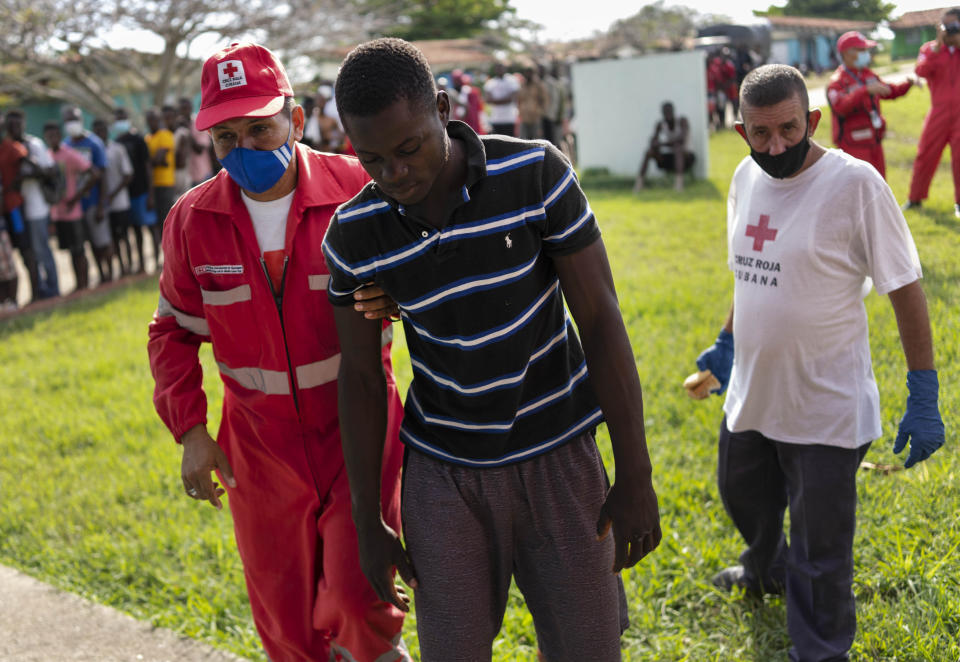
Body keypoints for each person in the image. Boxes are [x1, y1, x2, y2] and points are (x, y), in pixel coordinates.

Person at [324, 38, 661, 661]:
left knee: (588, 648)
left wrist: (635, 470)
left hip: (560, 456)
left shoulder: (535, 173)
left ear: (444, 109)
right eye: (371, 159)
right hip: (443, 474)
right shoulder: (354, 233)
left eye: (408, 148)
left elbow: (600, 318)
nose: (395, 174)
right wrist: (368, 520)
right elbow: (364, 380)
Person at [146, 41, 410, 662]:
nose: (245, 150)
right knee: (286, 626)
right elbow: (173, 332)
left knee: (358, 595)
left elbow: (423, 281)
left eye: (260, 128)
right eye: (226, 137)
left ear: (295, 120)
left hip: (359, 434)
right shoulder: (193, 220)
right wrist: (190, 430)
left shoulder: (358, 191)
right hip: (258, 453)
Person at [692, 64, 944, 662]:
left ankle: (821, 647)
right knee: (741, 493)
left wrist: (924, 389)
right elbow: (749, 274)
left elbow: (904, 286)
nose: (775, 146)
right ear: (740, 131)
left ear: (813, 120)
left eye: (788, 129)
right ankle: (766, 568)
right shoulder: (744, 180)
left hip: (824, 402)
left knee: (821, 547)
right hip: (753, 392)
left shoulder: (854, 185)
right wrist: (727, 341)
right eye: (761, 135)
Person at [827, 31, 914, 178]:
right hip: (852, 143)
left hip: (874, 139)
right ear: (847, 53)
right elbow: (841, 108)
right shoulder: (837, 82)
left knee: (879, 182)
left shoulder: (868, 75)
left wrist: (908, 84)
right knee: (858, 184)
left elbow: (888, 91)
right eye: (862, 50)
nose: (866, 54)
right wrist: (864, 91)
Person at [905, 7, 960, 216]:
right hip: (938, 112)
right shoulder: (930, 49)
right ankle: (915, 198)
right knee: (925, 154)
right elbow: (921, 71)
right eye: (945, 25)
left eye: (953, 25)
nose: (949, 30)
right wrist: (938, 48)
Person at [62, 106, 114, 285]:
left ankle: (111, 274)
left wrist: (102, 204)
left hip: (94, 202)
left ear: (81, 120)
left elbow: (103, 175)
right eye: (68, 120)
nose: (71, 124)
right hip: (77, 207)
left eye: (74, 119)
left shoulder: (94, 143)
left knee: (102, 242)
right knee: (90, 243)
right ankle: (100, 275)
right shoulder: (66, 145)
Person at [45, 121, 97, 292]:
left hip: (73, 212)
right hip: (58, 213)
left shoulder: (69, 154)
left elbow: (93, 173)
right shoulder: (46, 156)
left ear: (59, 136)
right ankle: (78, 284)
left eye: (55, 135)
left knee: (79, 250)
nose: (52, 138)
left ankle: (85, 283)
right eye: (49, 136)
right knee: (69, 251)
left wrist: (76, 197)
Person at [16, 110, 62, 299]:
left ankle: (53, 288)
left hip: (37, 207)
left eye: (17, 124)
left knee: (41, 248)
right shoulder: (9, 147)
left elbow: (50, 170)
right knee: (29, 252)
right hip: (18, 209)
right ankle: (39, 288)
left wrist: (31, 168)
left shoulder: (34, 144)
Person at [0, 110, 37, 301]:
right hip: (3, 210)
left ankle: (35, 293)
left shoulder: (11, 147)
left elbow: (29, 164)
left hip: (14, 206)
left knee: (25, 250)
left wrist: (14, 183)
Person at [113, 107, 156, 273]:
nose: (120, 120)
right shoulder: (117, 143)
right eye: (118, 118)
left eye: (122, 117)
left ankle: (158, 259)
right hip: (127, 194)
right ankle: (141, 265)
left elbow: (147, 166)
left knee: (151, 228)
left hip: (143, 190)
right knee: (135, 230)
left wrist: (150, 193)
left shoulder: (138, 139)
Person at [92, 118, 134, 276]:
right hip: (102, 204)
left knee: (124, 236)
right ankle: (120, 267)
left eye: (101, 130)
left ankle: (129, 266)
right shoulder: (94, 151)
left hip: (120, 202)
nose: (99, 134)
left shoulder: (117, 149)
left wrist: (112, 195)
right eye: (96, 132)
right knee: (112, 239)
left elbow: (128, 175)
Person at [634, 102, 695, 192]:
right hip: (669, 159)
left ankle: (679, 184)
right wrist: (655, 144)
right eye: (665, 113)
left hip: (686, 157)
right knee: (649, 152)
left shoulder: (682, 121)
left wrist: (662, 144)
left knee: (678, 148)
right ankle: (639, 183)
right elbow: (653, 140)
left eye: (669, 112)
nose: (667, 115)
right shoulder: (660, 124)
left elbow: (681, 139)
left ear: (673, 111)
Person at [145, 105, 176, 259]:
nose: (152, 122)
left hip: (166, 183)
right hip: (152, 186)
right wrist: (154, 161)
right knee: (156, 224)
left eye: (155, 119)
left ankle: (171, 254)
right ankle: (161, 255)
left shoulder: (165, 135)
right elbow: (155, 160)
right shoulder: (148, 138)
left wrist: (152, 162)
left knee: (166, 221)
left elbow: (158, 159)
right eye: (149, 120)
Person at [483, 62, 520, 137]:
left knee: (510, 143)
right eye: (497, 68)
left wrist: (495, 101)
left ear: (505, 69)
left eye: (501, 68)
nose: (499, 70)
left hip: (509, 118)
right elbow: (487, 100)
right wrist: (505, 100)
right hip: (496, 119)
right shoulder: (490, 83)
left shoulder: (512, 80)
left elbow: (512, 98)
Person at [515, 66, 548, 140]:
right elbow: (519, 99)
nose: (528, 75)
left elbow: (544, 100)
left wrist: (540, 111)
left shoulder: (538, 86)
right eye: (527, 73)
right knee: (523, 139)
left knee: (536, 140)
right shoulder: (522, 85)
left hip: (535, 117)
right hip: (524, 117)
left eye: (530, 73)